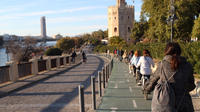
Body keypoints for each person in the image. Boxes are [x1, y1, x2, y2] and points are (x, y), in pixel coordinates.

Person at [145, 42, 195, 112]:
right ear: (180, 51)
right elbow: (192, 85)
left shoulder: (162, 64)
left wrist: (147, 89)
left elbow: (153, 80)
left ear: (166, 51)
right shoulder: (187, 65)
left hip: (166, 103)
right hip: (184, 104)